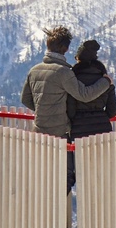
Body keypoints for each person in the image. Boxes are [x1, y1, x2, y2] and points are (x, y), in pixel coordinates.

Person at [20, 26, 111, 195]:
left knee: (42, 176)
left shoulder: (34, 71)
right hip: (59, 132)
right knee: (66, 176)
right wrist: (106, 82)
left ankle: (42, 212)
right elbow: (84, 95)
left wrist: (43, 109)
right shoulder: (64, 73)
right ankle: (57, 215)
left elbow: (25, 99)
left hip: (38, 130)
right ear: (65, 48)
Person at [66, 39, 116, 139]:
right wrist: (101, 116)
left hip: (79, 128)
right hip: (103, 128)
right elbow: (112, 111)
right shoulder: (106, 80)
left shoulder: (73, 80)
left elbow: (70, 111)